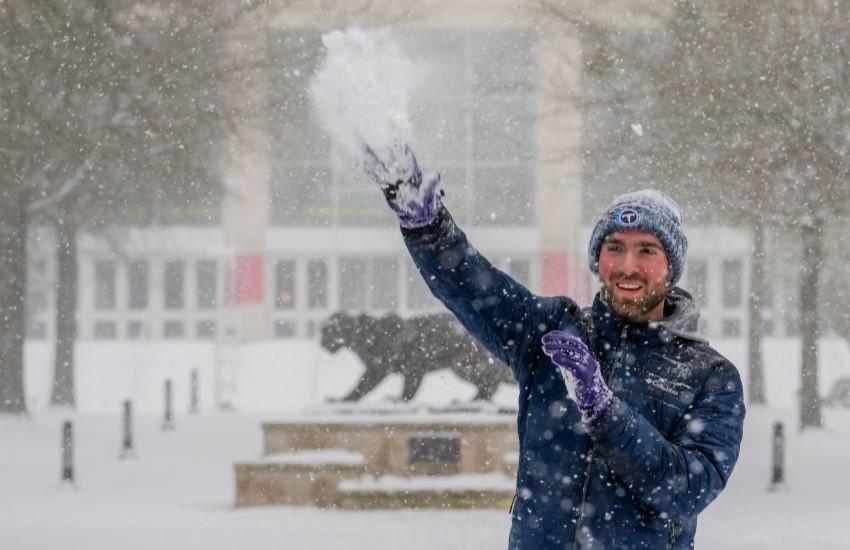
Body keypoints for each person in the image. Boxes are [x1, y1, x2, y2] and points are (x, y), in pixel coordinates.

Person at [362, 143, 745, 550]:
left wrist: (605, 410)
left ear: (672, 265)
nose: (628, 266)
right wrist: (429, 228)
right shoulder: (554, 331)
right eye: (614, 248)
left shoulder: (710, 377)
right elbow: (475, 287)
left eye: (646, 250)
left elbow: (685, 490)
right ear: (598, 259)